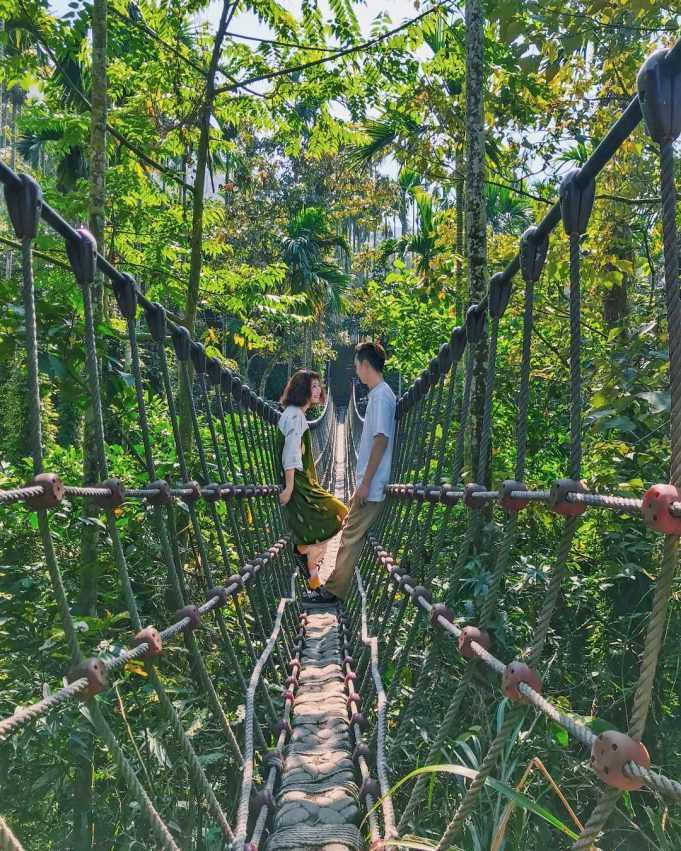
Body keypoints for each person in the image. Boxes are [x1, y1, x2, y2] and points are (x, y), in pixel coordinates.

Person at [304, 341, 396, 604]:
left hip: (372, 485)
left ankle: (332, 592)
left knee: (348, 536)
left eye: (356, 367)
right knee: (349, 533)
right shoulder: (380, 394)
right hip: (370, 483)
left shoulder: (381, 396)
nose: (356, 372)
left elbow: (381, 439)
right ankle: (333, 589)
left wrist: (365, 484)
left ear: (366, 365)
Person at [277, 369, 348, 586]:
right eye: (313, 386)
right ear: (302, 389)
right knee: (339, 512)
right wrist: (290, 487)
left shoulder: (295, 414)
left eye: (319, 386)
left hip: (303, 481)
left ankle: (314, 580)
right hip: (300, 483)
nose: (318, 390)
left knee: (316, 528)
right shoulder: (295, 416)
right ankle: (304, 551)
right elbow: (290, 453)